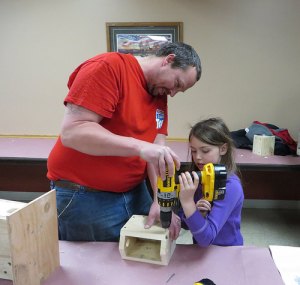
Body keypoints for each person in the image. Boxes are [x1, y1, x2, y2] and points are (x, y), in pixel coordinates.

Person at [47, 42, 202, 242]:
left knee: (139, 257)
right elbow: (72, 131)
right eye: (177, 84)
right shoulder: (109, 67)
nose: (173, 93)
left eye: (180, 91)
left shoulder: (158, 93)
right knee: (94, 267)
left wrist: (160, 201)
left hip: (134, 192)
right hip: (86, 196)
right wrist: (140, 146)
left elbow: (158, 152)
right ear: (168, 60)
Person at [178, 117, 244, 246]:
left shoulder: (231, 186)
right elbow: (186, 224)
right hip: (200, 252)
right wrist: (195, 212)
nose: (197, 157)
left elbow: (206, 239)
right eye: (193, 151)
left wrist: (187, 202)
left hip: (227, 251)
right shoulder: (198, 178)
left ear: (223, 149)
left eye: (205, 150)